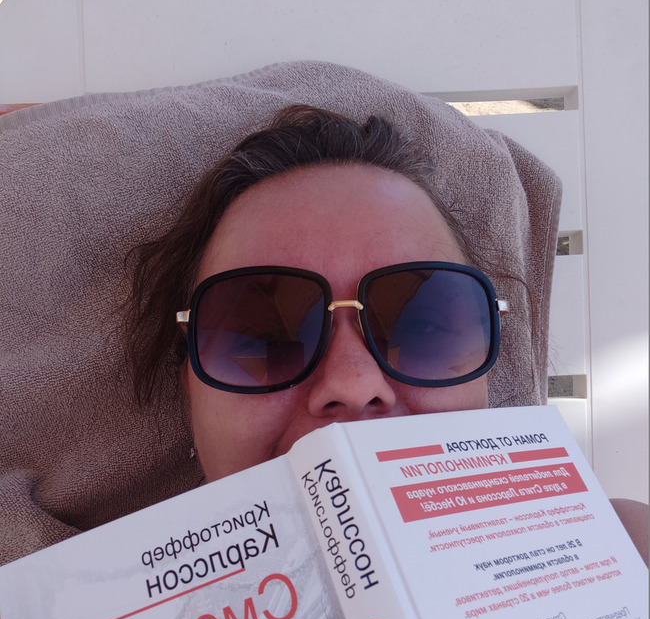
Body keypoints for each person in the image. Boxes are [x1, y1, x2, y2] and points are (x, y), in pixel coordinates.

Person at [125, 104, 648, 562]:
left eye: (419, 328)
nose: (352, 385)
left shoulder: (624, 554)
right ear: (188, 387)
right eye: (266, 340)